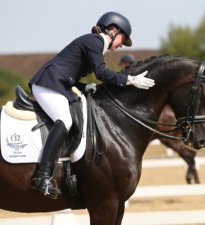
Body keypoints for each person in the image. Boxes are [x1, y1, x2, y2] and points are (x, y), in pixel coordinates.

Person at [28, 11, 155, 198]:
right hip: (48, 83)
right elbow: (102, 73)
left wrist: (85, 86)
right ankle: (42, 176)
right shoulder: (95, 41)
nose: (121, 45)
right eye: (123, 39)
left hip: (59, 84)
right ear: (112, 31)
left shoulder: (94, 44)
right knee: (64, 121)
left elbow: (72, 74)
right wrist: (130, 79)